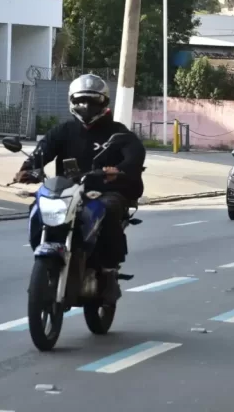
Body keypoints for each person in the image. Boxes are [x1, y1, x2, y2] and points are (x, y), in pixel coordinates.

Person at [14, 74, 146, 305]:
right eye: (81, 100)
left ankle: (107, 269)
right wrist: (27, 169)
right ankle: (45, 252)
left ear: (104, 102)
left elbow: (134, 156)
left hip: (103, 191)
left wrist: (119, 170)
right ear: (72, 102)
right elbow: (42, 151)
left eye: (93, 100)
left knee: (110, 209)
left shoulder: (117, 133)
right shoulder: (63, 131)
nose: (86, 106)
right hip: (66, 191)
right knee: (38, 205)